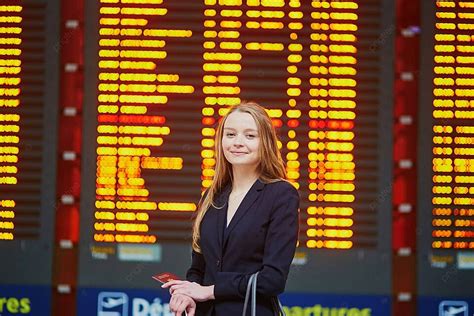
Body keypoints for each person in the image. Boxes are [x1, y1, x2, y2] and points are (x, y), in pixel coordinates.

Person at [162, 101, 300, 316]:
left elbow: (272, 280)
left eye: (250, 136)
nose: (237, 142)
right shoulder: (211, 195)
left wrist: (210, 291)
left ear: (266, 143)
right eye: (230, 134)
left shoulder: (281, 195)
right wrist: (187, 293)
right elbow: (198, 269)